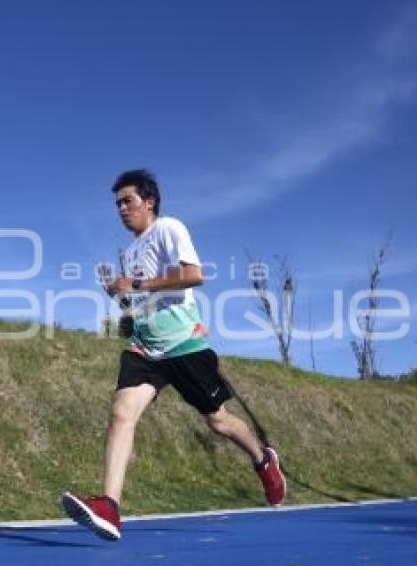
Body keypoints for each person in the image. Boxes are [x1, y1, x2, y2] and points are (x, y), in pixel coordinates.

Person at [61, 169, 286, 541]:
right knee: (121, 413)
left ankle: (264, 459)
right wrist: (129, 318)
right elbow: (144, 299)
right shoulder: (131, 250)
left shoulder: (169, 228)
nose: (121, 209)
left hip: (184, 344)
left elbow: (193, 275)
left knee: (218, 422)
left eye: (127, 201)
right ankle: (110, 507)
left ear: (149, 202)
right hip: (145, 349)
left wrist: (133, 284)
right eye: (117, 203)